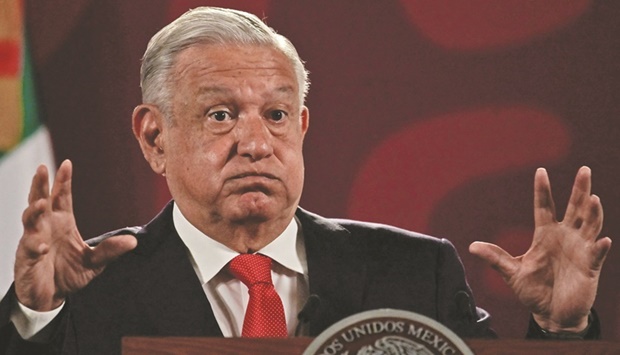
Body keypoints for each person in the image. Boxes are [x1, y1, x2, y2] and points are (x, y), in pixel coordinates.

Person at [0, 6, 612, 354]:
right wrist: (33, 313)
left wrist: (562, 330)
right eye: (220, 115)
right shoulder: (86, 292)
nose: (256, 143)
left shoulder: (413, 272)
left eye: (276, 115)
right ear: (154, 138)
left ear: (302, 126)